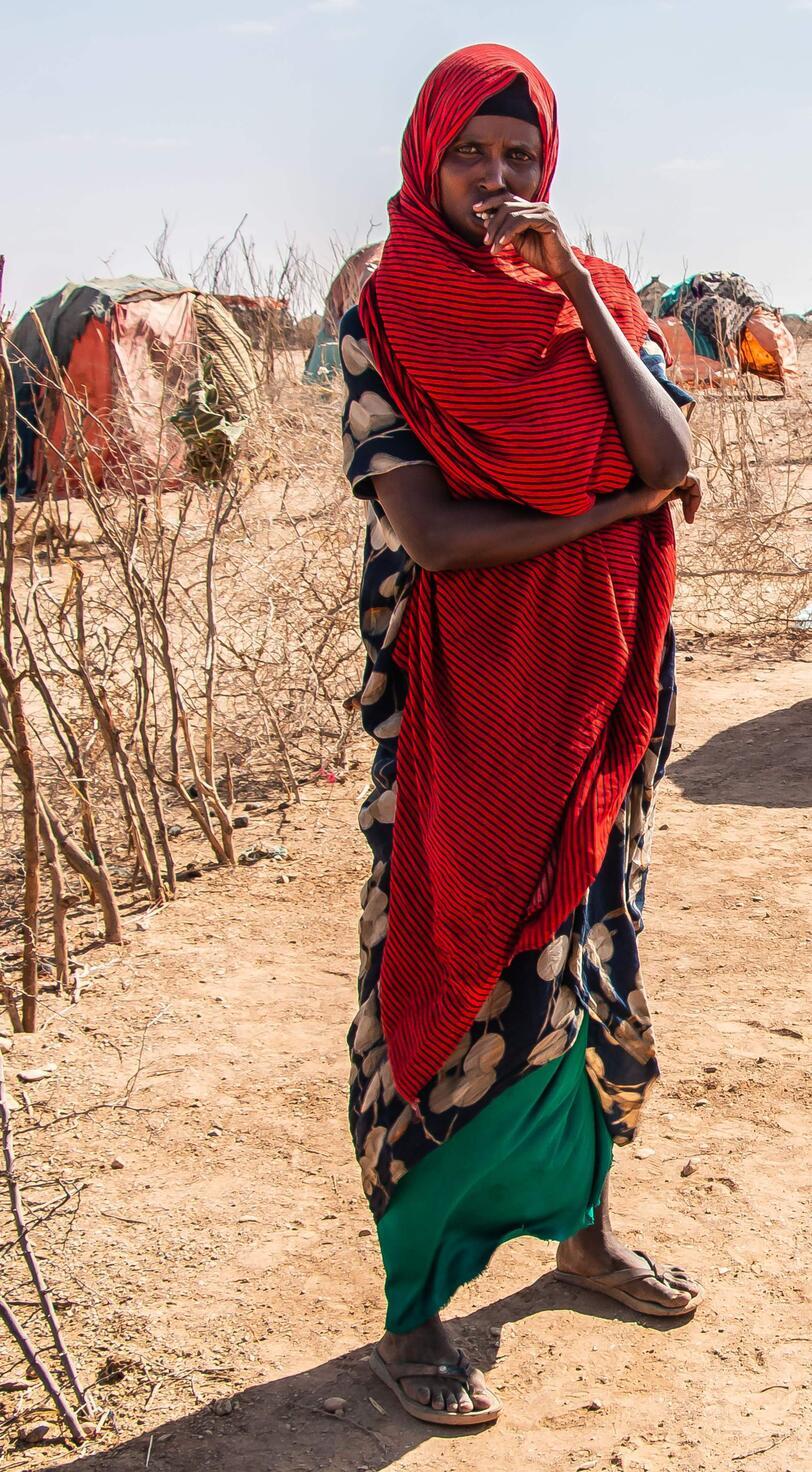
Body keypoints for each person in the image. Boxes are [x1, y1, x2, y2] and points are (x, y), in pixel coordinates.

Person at [340, 43, 703, 1429]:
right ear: (426, 161)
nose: (498, 183)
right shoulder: (388, 314)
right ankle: (416, 1308)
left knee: (589, 967)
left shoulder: (597, 298)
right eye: (473, 157)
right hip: (463, 712)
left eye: (522, 159)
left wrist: (576, 295)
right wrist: (610, 518)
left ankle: (585, 1236)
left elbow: (670, 455)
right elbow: (433, 537)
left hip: (605, 700)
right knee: (452, 970)